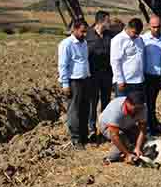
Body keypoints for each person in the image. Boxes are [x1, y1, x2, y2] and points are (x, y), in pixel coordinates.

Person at [58, 19, 91, 150]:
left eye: (85, 32)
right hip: (73, 82)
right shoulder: (66, 44)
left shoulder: (84, 43)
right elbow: (63, 65)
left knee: (84, 109)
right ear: (74, 30)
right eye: (82, 31)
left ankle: (84, 136)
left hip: (85, 80)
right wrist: (65, 84)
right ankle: (76, 139)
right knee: (74, 111)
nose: (84, 34)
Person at [86, 10, 115, 139]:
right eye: (108, 20)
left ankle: (104, 128)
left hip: (107, 75)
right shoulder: (88, 35)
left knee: (106, 102)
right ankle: (91, 128)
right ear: (101, 21)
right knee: (93, 102)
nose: (110, 23)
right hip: (92, 75)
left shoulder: (111, 35)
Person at [141, 15, 161, 136]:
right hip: (149, 76)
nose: (156, 29)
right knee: (150, 103)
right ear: (149, 26)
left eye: (158, 27)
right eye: (153, 27)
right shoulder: (143, 39)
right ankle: (152, 127)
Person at [99, 91, 147, 164]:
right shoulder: (116, 111)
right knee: (121, 146)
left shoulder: (142, 107)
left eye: (140, 108)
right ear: (127, 103)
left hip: (127, 124)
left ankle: (130, 147)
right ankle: (110, 157)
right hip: (107, 126)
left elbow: (142, 129)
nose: (138, 111)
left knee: (144, 141)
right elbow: (114, 135)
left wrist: (138, 147)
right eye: (136, 108)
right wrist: (127, 154)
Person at [110, 18, 145, 97]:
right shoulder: (118, 40)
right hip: (125, 82)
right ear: (128, 28)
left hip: (138, 81)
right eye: (134, 33)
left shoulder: (139, 39)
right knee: (123, 107)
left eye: (138, 33)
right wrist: (120, 80)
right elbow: (115, 62)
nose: (136, 35)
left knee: (136, 108)